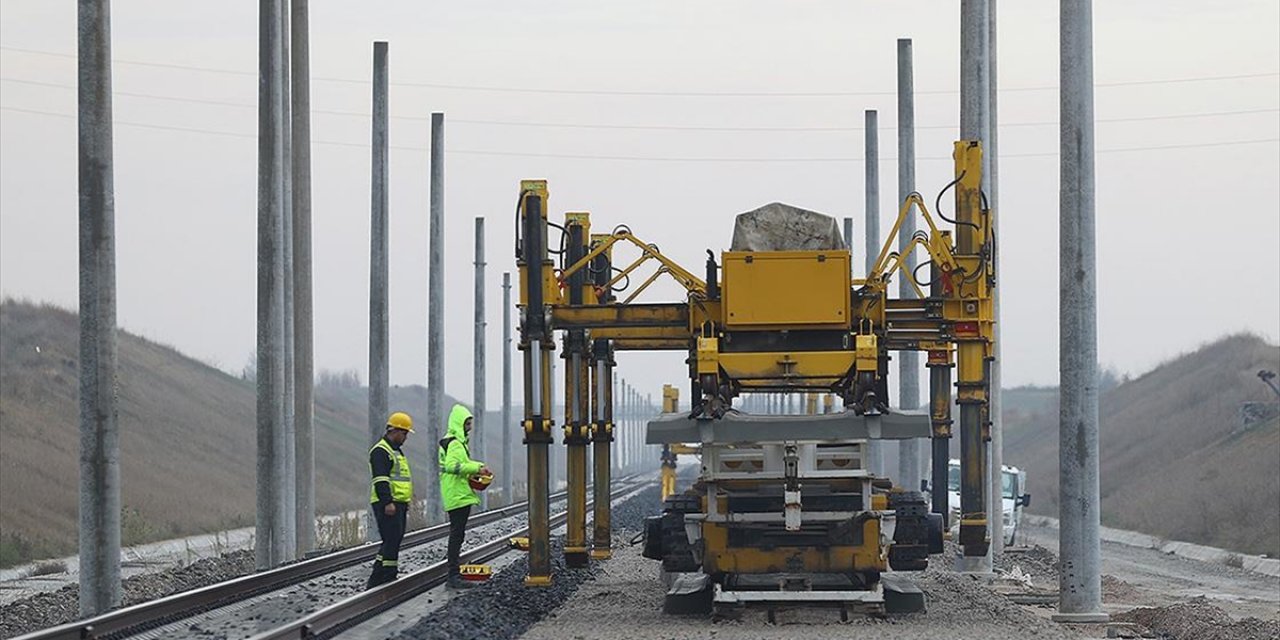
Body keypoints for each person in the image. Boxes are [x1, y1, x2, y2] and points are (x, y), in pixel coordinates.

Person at [439, 404, 491, 589]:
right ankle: (452, 575)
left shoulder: (457, 443)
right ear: (458, 423)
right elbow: (453, 466)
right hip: (457, 494)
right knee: (456, 534)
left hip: (458, 493)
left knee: (458, 533)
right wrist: (477, 468)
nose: (469, 427)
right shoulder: (454, 443)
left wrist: (478, 465)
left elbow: (463, 463)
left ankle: (454, 572)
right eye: (467, 423)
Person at [366, 411, 415, 590]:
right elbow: (381, 479)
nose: (405, 437)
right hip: (387, 503)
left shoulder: (396, 451)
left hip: (397, 503)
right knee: (392, 540)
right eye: (404, 433)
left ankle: (377, 578)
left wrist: (403, 501)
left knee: (392, 540)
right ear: (394, 431)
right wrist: (387, 502)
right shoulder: (381, 451)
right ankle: (388, 577)